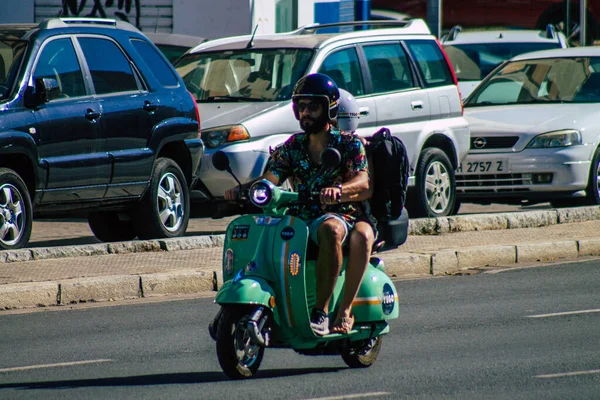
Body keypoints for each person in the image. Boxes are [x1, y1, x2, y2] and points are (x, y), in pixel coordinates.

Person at [224, 73, 371, 336]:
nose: (306, 113)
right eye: (301, 107)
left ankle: (321, 312)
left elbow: (363, 182)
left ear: (330, 108)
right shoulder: (293, 146)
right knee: (267, 231)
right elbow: (271, 179)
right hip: (299, 217)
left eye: (313, 107)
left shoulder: (349, 144)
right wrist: (245, 191)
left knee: (330, 229)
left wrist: (338, 191)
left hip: (338, 215)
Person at [331, 89, 377, 334]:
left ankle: (345, 310)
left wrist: (338, 191)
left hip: (356, 215)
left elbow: (366, 188)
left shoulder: (354, 145)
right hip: (313, 212)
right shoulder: (303, 144)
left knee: (361, 236)